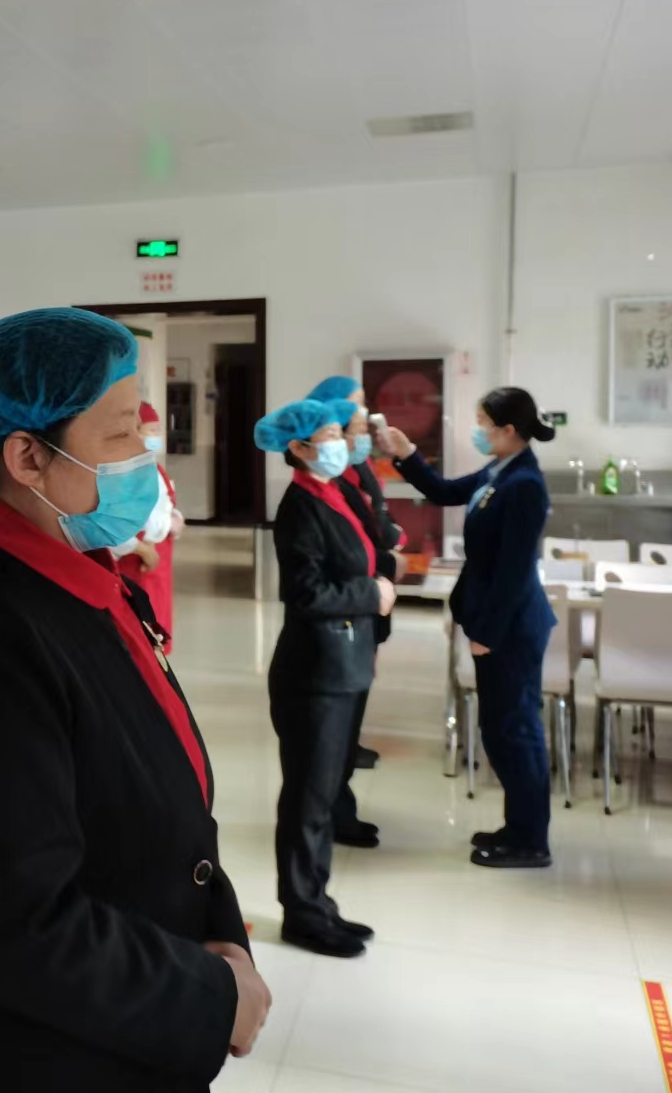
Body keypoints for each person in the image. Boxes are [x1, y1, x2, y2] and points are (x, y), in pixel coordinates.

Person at [0, 308, 271, 1092]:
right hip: (41, 1055)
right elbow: (16, 922)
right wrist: (210, 997)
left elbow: (164, 806)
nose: (144, 455)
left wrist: (225, 941)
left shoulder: (92, 585)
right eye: (122, 434)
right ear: (28, 457)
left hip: (127, 1013)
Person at [377, 387, 557, 868]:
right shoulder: (499, 471)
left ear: (508, 430)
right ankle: (517, 826)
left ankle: (531, 841)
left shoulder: (525, 484)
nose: (477, 432)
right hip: (497, 621)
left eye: (482, 424)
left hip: (511, 628)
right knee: (499, 729)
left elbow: (514, 571)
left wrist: (488, 634)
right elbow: (444, 491)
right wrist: (406, 455)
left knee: (515, 730)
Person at [258, 399, 396, 958]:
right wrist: (372, 593)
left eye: (342, 433)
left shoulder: (333, 491)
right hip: (315, 671)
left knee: (325, 791)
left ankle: (318, 901)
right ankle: (303, 912)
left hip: (345, 662)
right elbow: (306, 593)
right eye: (331, 435)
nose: (341, 444)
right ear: (298, 447)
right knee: (308, 799)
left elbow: (373, 544)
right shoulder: (299, 506)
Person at [308, 375, 403, 775]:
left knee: (364, 668)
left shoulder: (358, 464)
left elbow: (376, 510)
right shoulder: (330, 479)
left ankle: (349, 745)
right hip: (353, 595)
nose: (363, 413)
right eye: (356, 404)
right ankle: (344, 751)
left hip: (370, 587)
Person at [112, 400, 185, 648]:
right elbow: (122, 520)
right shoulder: (125, 471)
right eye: (151, 430)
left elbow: (162, 504)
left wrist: (174, 519)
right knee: (140, 632)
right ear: (134, 431)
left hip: (157, 561)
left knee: (155, 629)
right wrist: (144, 547)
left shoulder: (152, 466)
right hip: (138, 561)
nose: (157, 436)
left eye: (158, 430)